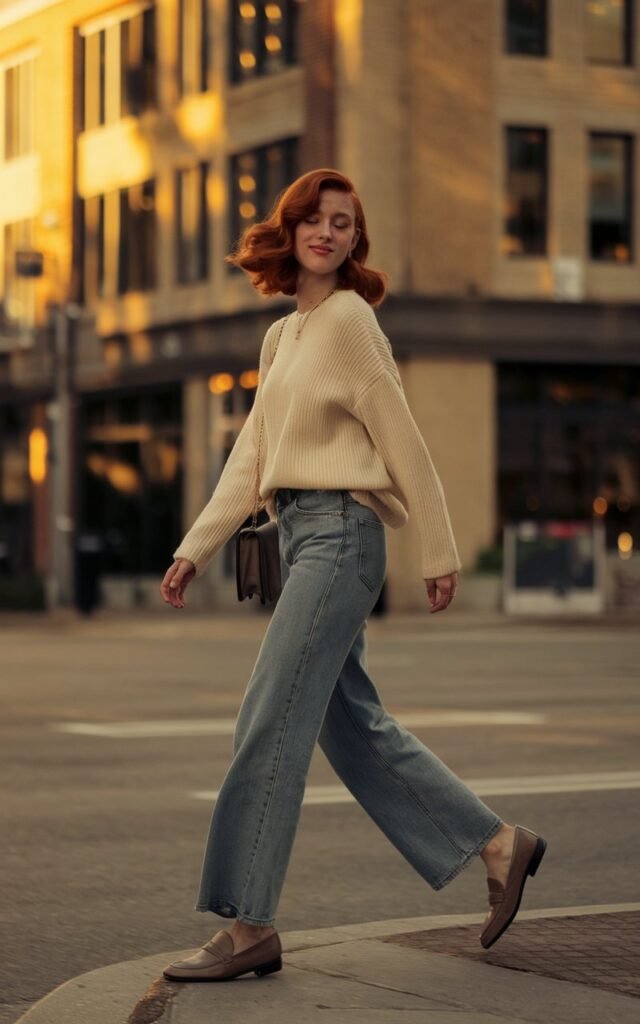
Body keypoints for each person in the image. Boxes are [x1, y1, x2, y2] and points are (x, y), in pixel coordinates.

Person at [159, 169, 547, 982]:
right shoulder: (282, 336)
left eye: (345, 223)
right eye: (317, 219)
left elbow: (403, 440)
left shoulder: (349, 322)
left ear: (352, 240)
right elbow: (252, 457)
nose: (330, 233)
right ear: (292, 228)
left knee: (268, 720)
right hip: (301, 535)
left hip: (342, 537)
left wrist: (437, 546)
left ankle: (247, 926)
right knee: (352, 726)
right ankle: (501, 846)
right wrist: (196, 546)